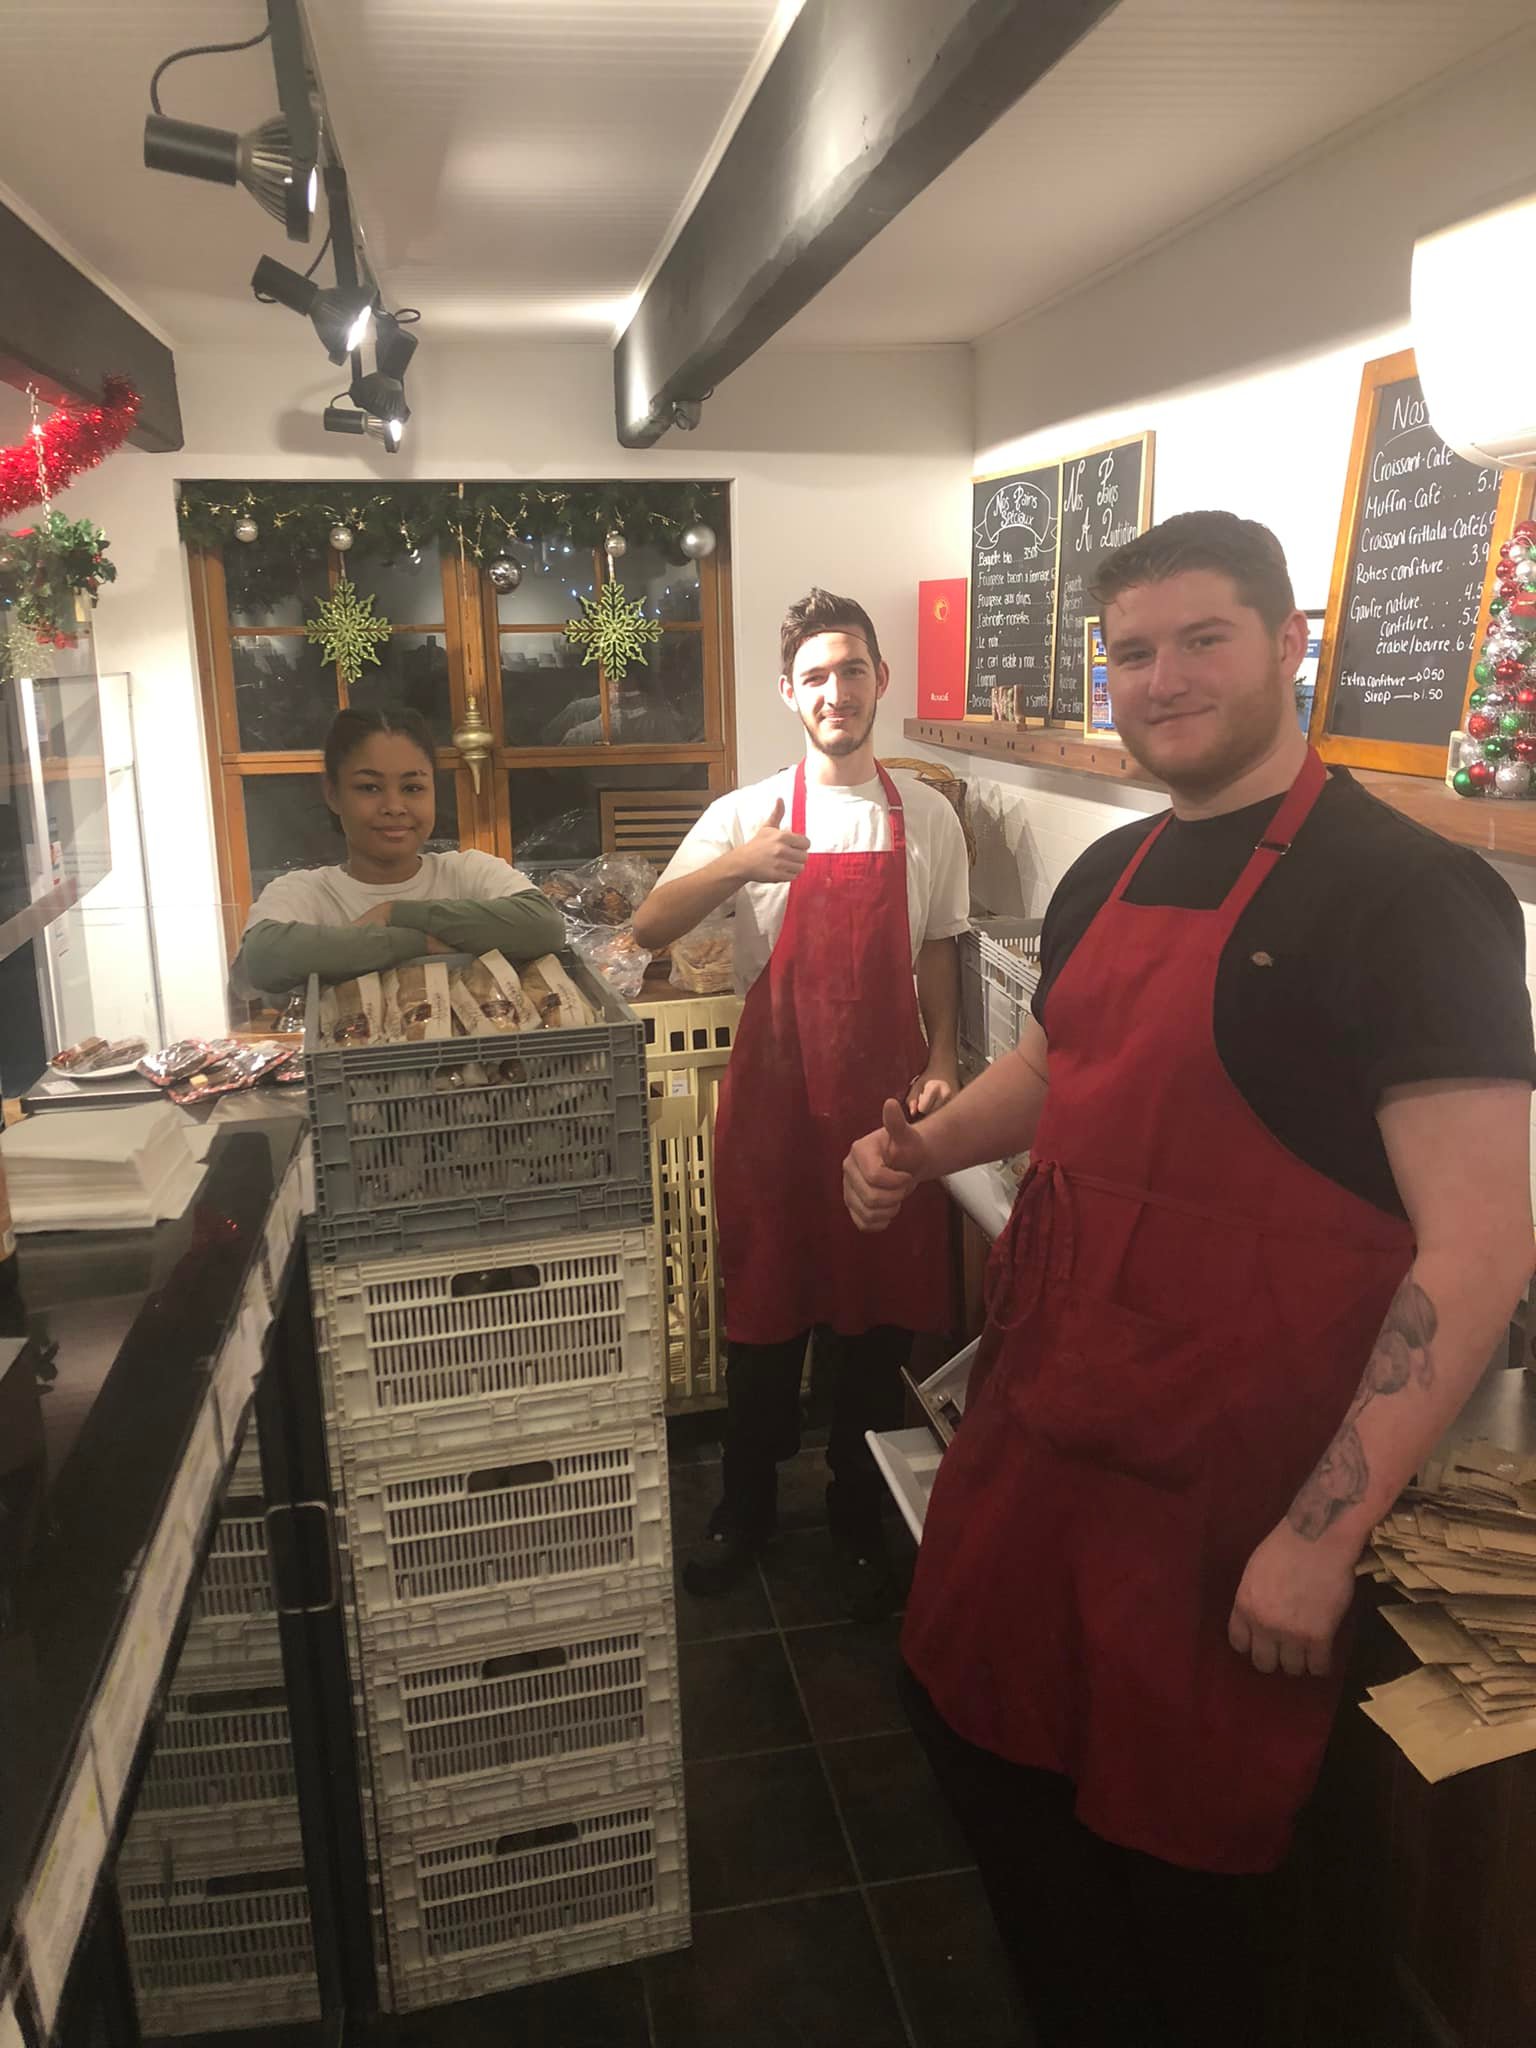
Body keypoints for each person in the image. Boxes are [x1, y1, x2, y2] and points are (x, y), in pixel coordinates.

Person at [842, 512, 1536, 2046]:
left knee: (1201, 1887)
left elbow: (1484, 1243)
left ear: (1291, 643)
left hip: (1232, 1492)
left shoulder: (1410, 898)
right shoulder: (1113, 867)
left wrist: (1320, 1535)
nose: (1163, 679)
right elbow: (1056, 1060)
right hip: (1052, 1432)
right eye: (1135, 652)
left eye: (1203, 638)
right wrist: (921, 1145)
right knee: (985, 1751)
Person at [634, 588, 971, 1619]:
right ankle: (744, 1508)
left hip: (884, 1115)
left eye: (852, 669)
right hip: (775, 1118)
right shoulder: (749, 813)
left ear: (880, 679)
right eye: (816, 675)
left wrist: (945, 1054)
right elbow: (649, 927)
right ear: (789, 692)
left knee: (875, 1333)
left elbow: (937, 947)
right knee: (764, 1320)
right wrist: (741, 865)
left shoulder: (928, 817)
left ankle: (856, 1512)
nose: (837, 690)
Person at [235, 705, 563, 995]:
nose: (394, 806)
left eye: (412, 787)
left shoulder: (468, 872)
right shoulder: (306, 893)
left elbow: (544, 926)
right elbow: (263, 958)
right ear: (333, 794)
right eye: (369, 787)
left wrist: (394, 913)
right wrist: (414, 943)